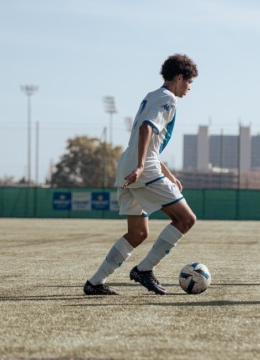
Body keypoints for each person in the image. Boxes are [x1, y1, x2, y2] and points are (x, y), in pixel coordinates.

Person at [84, 54, 198, 295]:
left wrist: (166, 172)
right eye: (189, 83)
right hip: (142, 168)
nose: (189, 88)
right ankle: (144, 269)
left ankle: (95, 283)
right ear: (179, 78)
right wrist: (140, 167)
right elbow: (147, 127)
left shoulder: (152, 95)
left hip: (130, 164)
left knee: (138, 233)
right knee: (186, 219)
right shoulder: (168, 99)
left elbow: (147, 139)